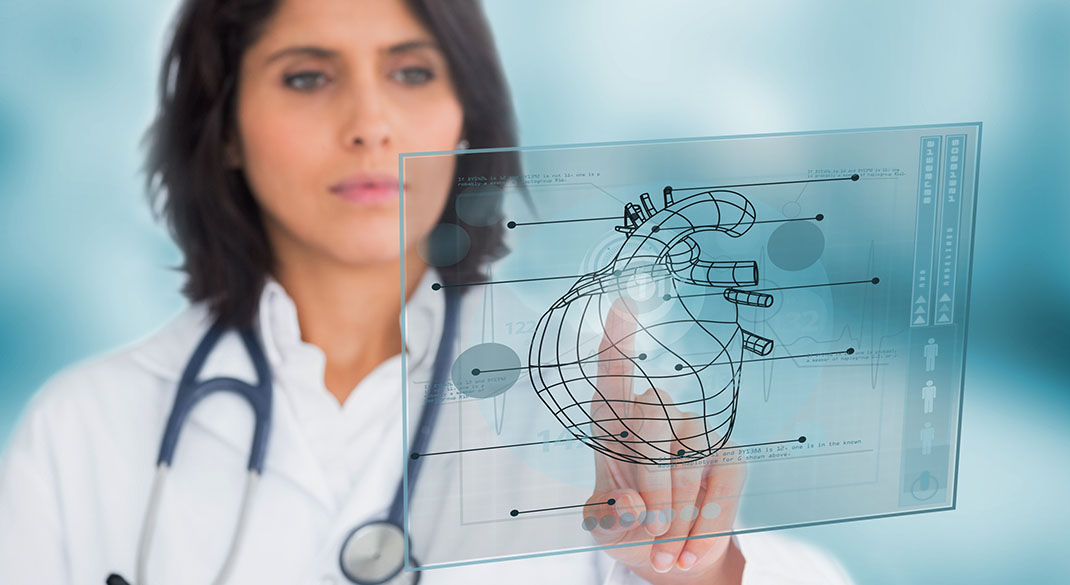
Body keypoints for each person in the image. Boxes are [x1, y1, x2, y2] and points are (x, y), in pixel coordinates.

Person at [0, 1, 855, 583]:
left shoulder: (592, 413)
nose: (369, 121)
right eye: (307, 75)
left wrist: (698, 565)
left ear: (465, 119)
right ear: (223, 130)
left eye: (411, 73)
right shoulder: (86, 429)